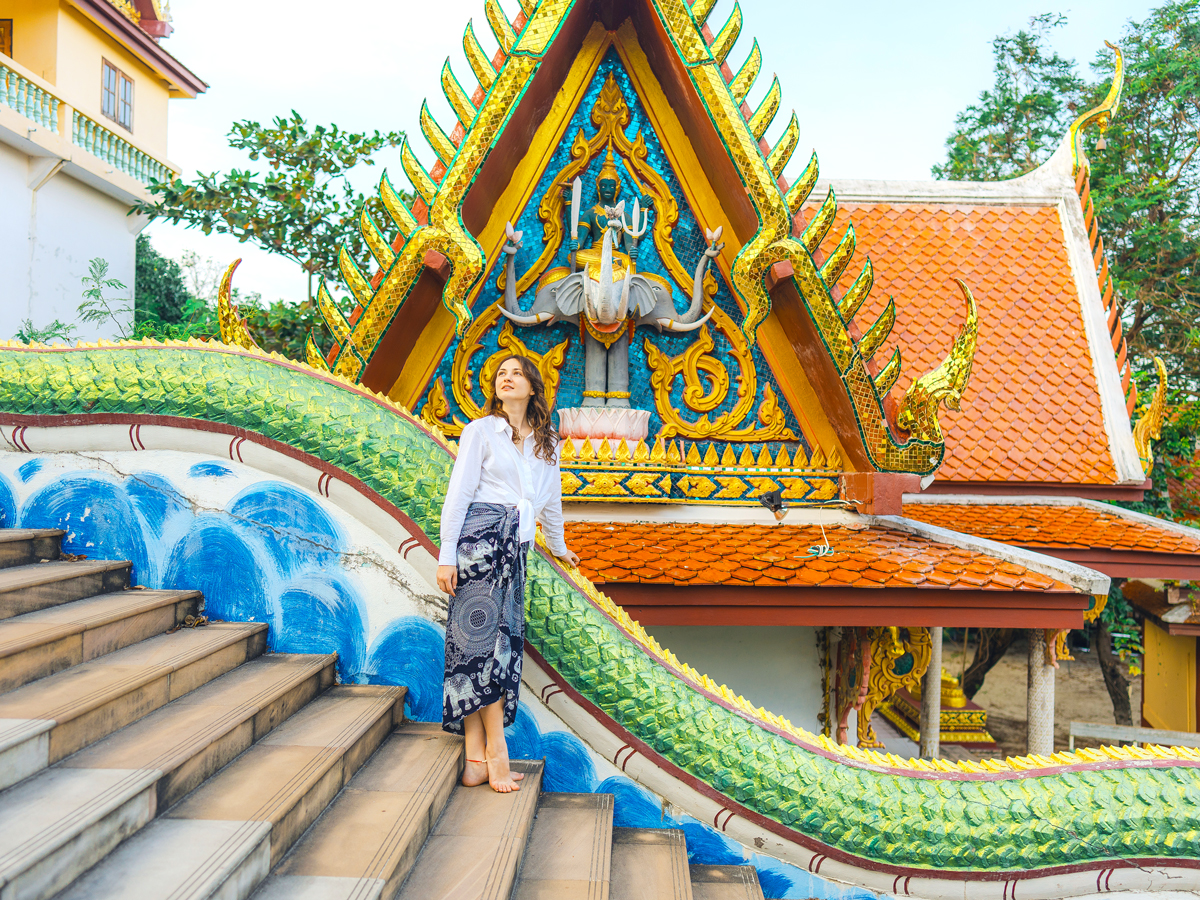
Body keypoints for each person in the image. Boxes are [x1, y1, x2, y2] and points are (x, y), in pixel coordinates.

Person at [436, 355, 579, 792]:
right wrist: (446, 554)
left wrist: (561, 548)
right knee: (478, 646)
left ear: (533, 387)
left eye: (516, 373)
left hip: (515, 547)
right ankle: (497, 752)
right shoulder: (480, 431)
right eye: (501, 374)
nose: (507, 378)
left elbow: (549, 505)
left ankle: (474, 756)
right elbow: (459, 493)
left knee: (498, 648)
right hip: (478, 542)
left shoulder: (546, 443)